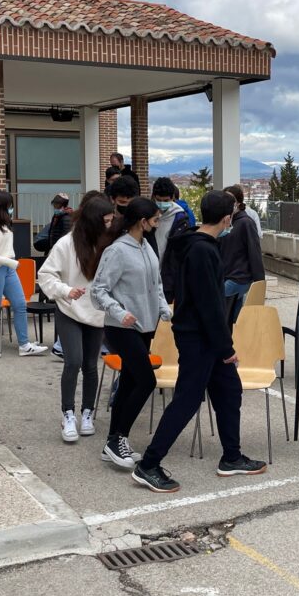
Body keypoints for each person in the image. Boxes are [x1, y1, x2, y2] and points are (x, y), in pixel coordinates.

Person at [133, 191, 267, 493]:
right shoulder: (203, 251)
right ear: (226, 218)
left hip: (202, 334)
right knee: (188, 399)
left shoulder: (192, 242)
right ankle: (149, 464)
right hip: (199, 337)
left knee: (229, 391)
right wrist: (226, 349)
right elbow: (210, 306)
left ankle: (231, 457)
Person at [90, 198, 172, 469]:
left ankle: (113, 441)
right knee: (146, 381)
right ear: (142, 221)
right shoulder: (117, 251)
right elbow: (99, 290)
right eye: (155, 219)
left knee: (128, 381)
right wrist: (119, 311)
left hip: (146, 325)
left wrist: (162, 308)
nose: (158, 224)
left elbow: (156, 282)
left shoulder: (146, 246)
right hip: (121, 327)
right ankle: (118, 439)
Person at [38, 196, 114, 443]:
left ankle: (87, 413)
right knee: (73, 361)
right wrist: (65, 291)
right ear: (93, 221)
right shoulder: (66, 244)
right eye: (107, 220)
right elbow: (46, 275)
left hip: (96, 313)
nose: (110, 224)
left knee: (91, 365)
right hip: (69, 309)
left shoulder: (109, 244)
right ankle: (68, 414)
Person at [0, 190, 48, 359]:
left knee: (20, 304)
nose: (11, 208)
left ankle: (24, 344)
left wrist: (10, 263)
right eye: (9, 205)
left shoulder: (3, 224)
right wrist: (10, 262)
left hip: (7, 269)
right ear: (1, 207)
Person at [221, 184, 266, 321]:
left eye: (231, 200)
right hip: (227, 275)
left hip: (239, 277)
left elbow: (254, 251)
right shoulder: (226, 222)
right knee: (234, 317)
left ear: (238, 203)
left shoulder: (246, 223)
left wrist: (259, 281)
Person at [151, 176, 192, 303]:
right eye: (159, 200)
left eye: (166, 201)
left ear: (173, 198)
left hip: (167, 279)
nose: (162, 204)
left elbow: (180, 255)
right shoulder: (147, 212)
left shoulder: (180, 218)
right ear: (153, 197)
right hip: (148, 275)